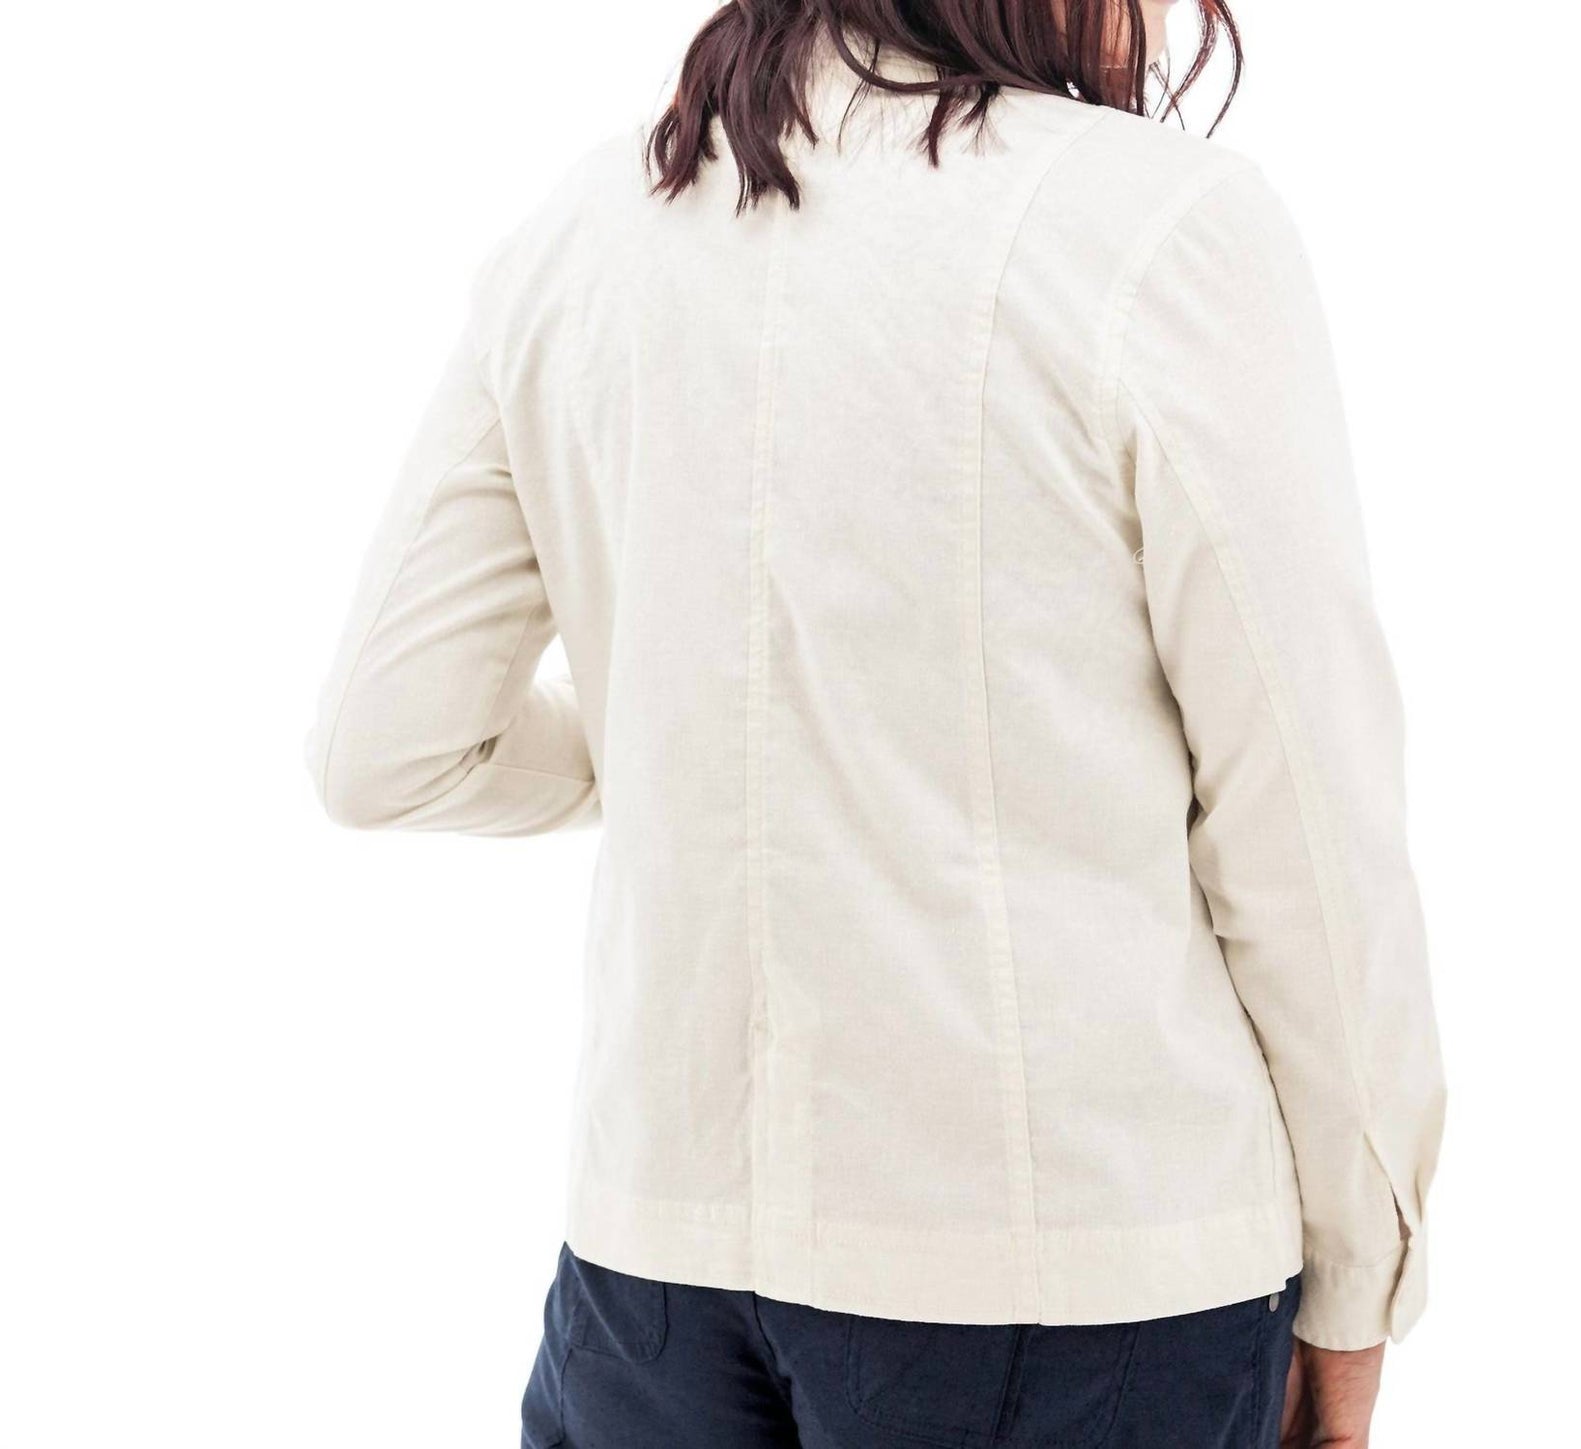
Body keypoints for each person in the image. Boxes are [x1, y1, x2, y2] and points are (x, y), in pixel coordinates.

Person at [305, 1, 1444, 1443]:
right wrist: (1360, 1282)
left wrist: (712, 714)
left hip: (651, 1277)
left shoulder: (588, 228)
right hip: (1080, 1280)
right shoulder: (1159, 231)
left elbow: (387, 741)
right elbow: (1307, 826)